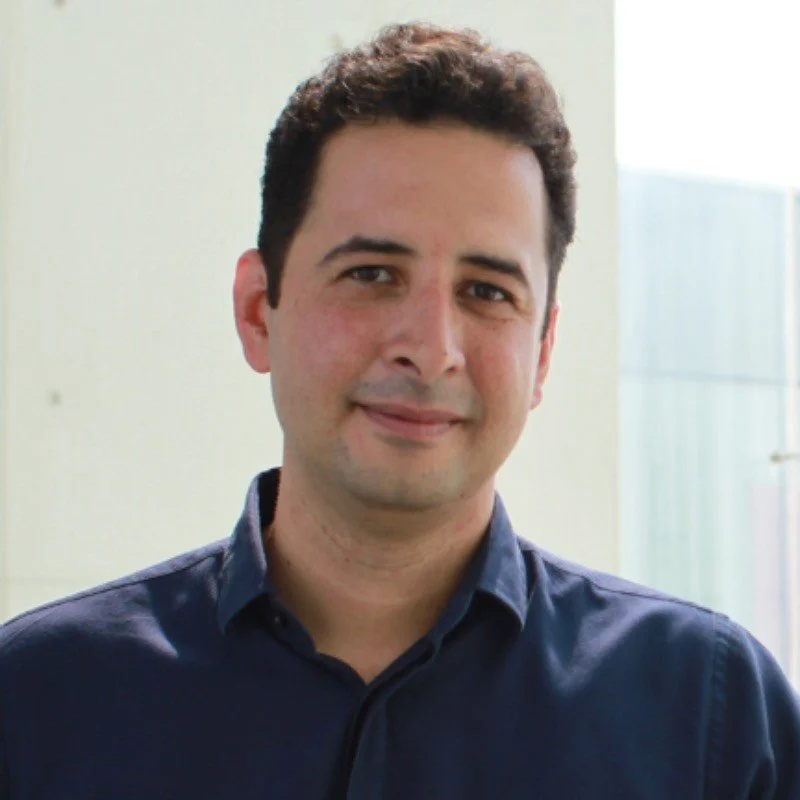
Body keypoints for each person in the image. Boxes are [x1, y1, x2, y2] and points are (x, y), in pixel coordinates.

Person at [1, 22, 798, 800]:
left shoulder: (712, 717)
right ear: (256, 310)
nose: (431, 348)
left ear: (544, 351)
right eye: (372, 274)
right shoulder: (37, 703)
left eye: (487, 291)